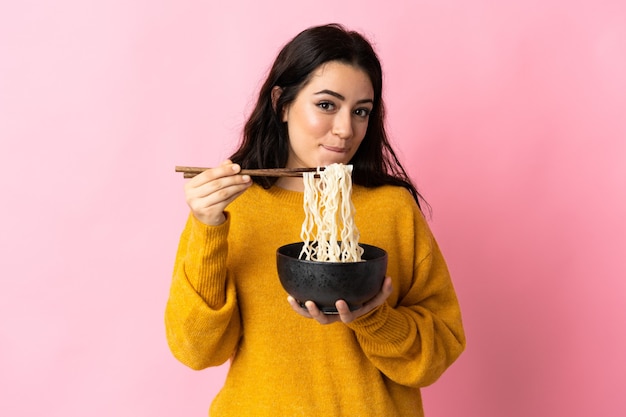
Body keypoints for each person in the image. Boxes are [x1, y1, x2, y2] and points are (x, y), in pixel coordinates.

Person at [165, 23, 465, 416]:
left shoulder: (391, 208)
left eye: (361, 111)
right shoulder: (231, 207)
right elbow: (196, 350)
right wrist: (208, 229)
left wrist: (374, 317)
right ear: (282, 103)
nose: (345, 130)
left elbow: (438, 350)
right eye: (326, 105)